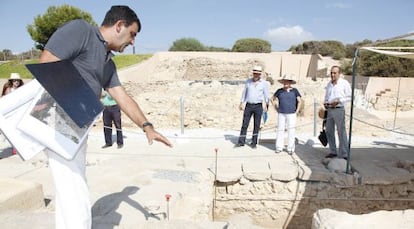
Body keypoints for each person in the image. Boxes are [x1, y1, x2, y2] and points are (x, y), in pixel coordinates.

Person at [38, 5, 172, 229]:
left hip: (78, 125)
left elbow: (122, 97)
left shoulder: (107, 62)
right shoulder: (81, 31)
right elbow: (47, 64)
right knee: (74, 186)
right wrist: (77, 102)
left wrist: (147, 126)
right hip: (58, 119)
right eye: (132, 34)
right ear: (119, 25)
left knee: (71, 184)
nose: (133, 42)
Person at [235, 65, 269, 148]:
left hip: (258, 106)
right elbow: (245, 93)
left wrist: (267, 105)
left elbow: (266, 95)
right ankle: (241, 141)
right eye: (255, 73)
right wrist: (241, 102)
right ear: (253, 73)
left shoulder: (264, 83)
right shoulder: (248, 81)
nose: (256, 75)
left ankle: (254, 143)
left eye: (258, 73)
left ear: (260, 74)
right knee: (245, 124)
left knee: (256, 125)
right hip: (249, 105)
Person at [323, 66, 351, 160]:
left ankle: (344, 153)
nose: (332, 75)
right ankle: (333, 151)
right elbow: (327, 96)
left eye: (335, 73)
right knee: (329, 131)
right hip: (329, 109)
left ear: (339, 73)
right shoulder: (329, 84)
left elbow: (350, 97)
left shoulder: (344, 83)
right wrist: (326, 102)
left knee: (341, 131)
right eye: (331, 73)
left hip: (339, 109)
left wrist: (338, 101)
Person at [271, 74, 302, 154]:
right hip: (281, 113)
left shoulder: (294, 91)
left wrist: (297, 111)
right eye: (284, 81)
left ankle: (290, 148)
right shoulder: (279, 91)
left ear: (290, 82)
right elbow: (272, 99)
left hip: (291, 113)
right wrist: (276, 108)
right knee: (280, 129)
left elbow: (299, 101)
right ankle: (279, 147)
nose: (285, 83)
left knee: (291, 130)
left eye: (287, 81)